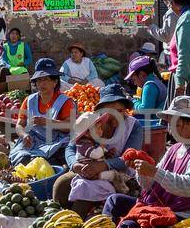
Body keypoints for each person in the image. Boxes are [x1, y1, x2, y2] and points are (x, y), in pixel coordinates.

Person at [111, 96, 190, 223]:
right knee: (114, 201)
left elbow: (189, 186)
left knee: (130, 225)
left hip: (189, 215)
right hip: (165, 207)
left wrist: (153, 171)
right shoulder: (174, 149)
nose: (170, 130)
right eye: (170, 124)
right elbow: (149, 186)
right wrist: (143, 172)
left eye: (176, 124)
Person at [54, 84, 143, 216]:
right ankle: (61, 217)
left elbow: (129, 158)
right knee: (61, 185)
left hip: (118, 176)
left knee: (87, 190)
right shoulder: (89, 121)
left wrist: (103, 165)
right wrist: (75, 165)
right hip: (86, 169)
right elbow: (70, 147)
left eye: (120, 111)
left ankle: (76, 221)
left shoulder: (133, 126)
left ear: (125, 110)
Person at [10, 58, 75, 167]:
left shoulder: (65, 102)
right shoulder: (29, 100)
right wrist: (24, 135)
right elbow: (20, 124)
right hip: (32, 141)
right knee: (20, 158)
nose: (42, 84)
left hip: (56, 143)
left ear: (55, 82)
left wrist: (47, 122)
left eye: (46, 79)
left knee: (55, 160)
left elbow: (69, 126)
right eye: (39, 80)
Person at [126, 54, 171, 161]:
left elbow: (145, 109)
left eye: (134, 78)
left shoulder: (150, 85)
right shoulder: (155, 82)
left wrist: (131, 101)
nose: (134, 82)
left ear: (141, 74)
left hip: (154, 129)